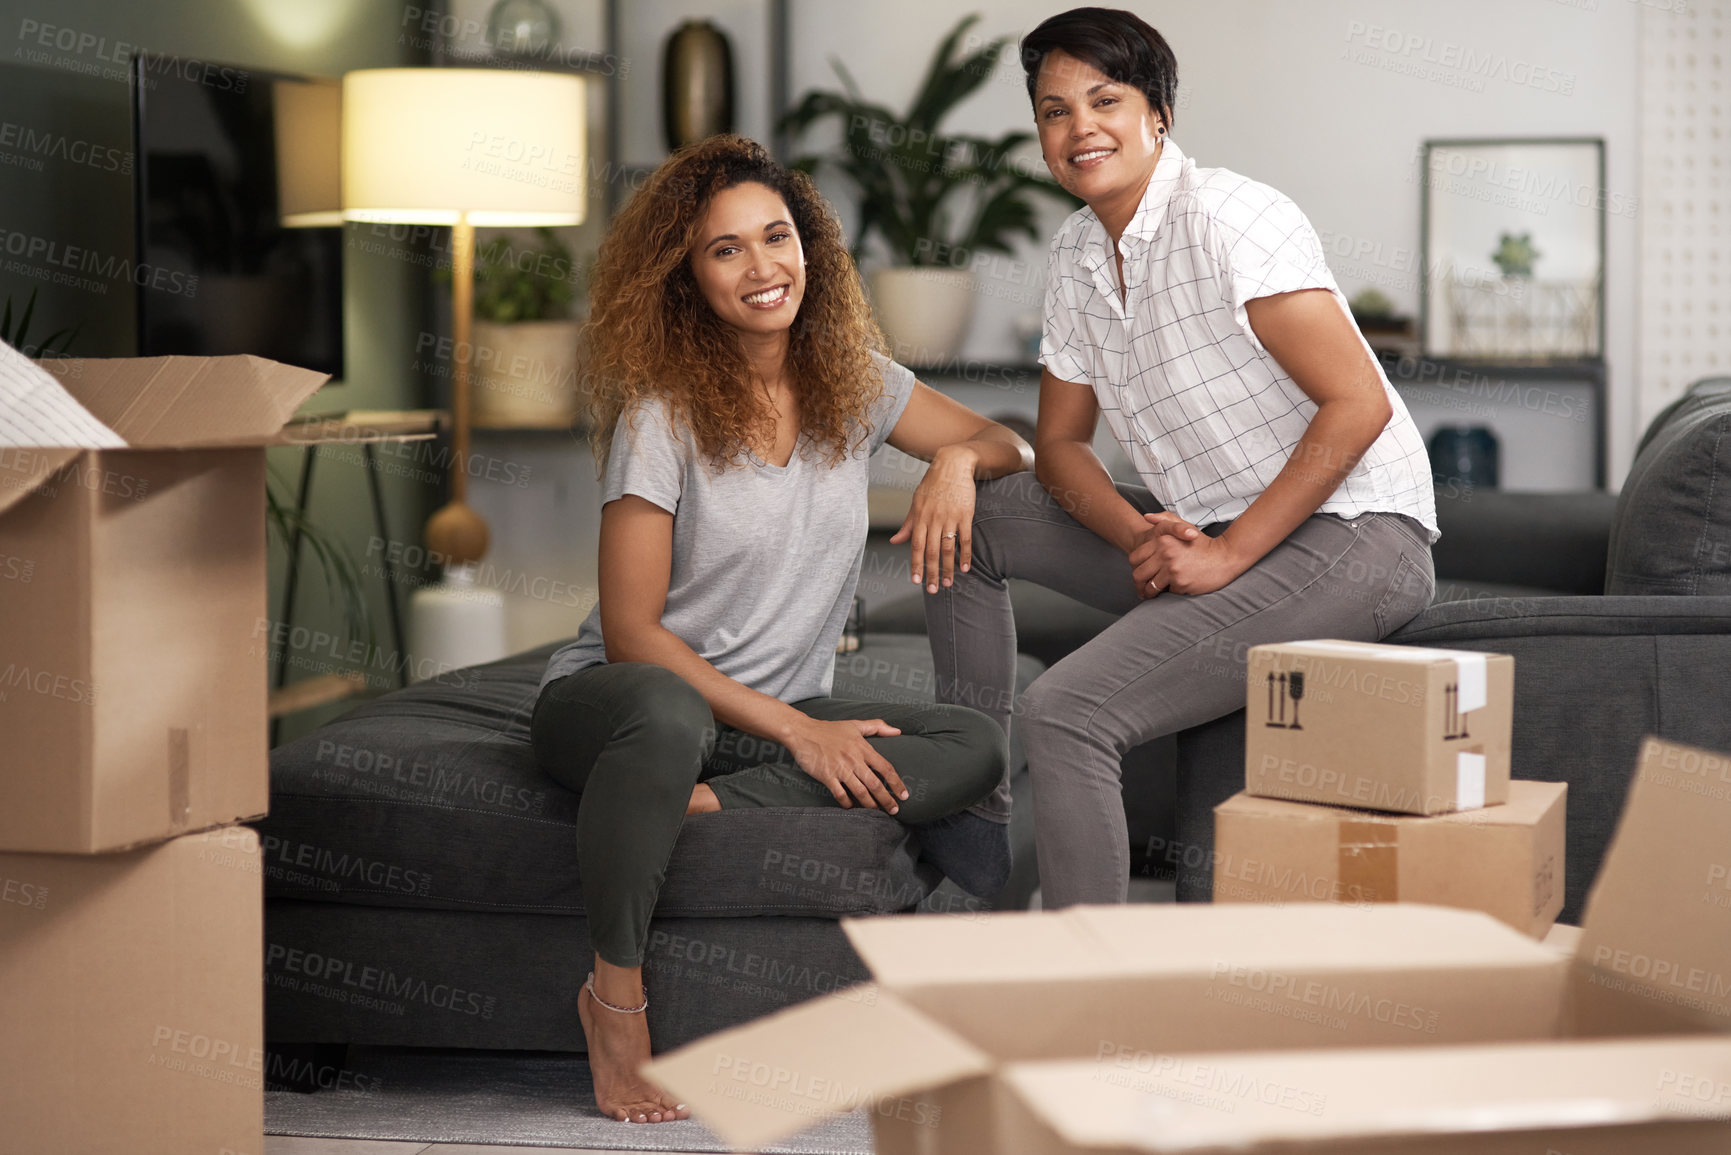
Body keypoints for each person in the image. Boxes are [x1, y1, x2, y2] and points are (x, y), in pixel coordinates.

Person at [530, 134, 1032, 1125]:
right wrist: (803, 735)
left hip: (754, 729)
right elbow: (633, 635)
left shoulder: (853, 379)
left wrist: (953, 466)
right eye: (726, 251)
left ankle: (684, 812)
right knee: (669, 714)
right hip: (627, 708)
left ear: (814, 248)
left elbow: (1004, 438)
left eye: (778, 237)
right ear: (686, 277)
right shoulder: (660, 413)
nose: (763, 268)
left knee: (972, 742)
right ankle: (614, 1005)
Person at [922, 7, 1439, 909]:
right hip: (1205, 534)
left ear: (1156, 112)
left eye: (1104, 100)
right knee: (978, 521)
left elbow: (1356, 402)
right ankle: (971, 811)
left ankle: (1087, 1000)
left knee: (1069, 708)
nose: (1079, 127)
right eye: (1053, 110)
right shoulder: (1078, 253)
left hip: (1358, 537)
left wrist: (1228, 553)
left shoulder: (1229, 216)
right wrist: (1139, 538)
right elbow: (1058, 446)